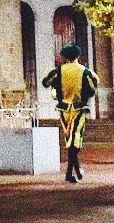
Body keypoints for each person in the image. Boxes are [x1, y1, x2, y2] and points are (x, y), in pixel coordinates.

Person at [42, 44, 99, 183]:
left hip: (63, 109)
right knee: (76, 138)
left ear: (64, 57)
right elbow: (93, 87)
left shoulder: (58, 71)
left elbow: (45, 82)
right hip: (79, 108)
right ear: (78, 56)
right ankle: (69, 173)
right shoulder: (85, 71)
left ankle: (77, 170)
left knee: (70, 138)